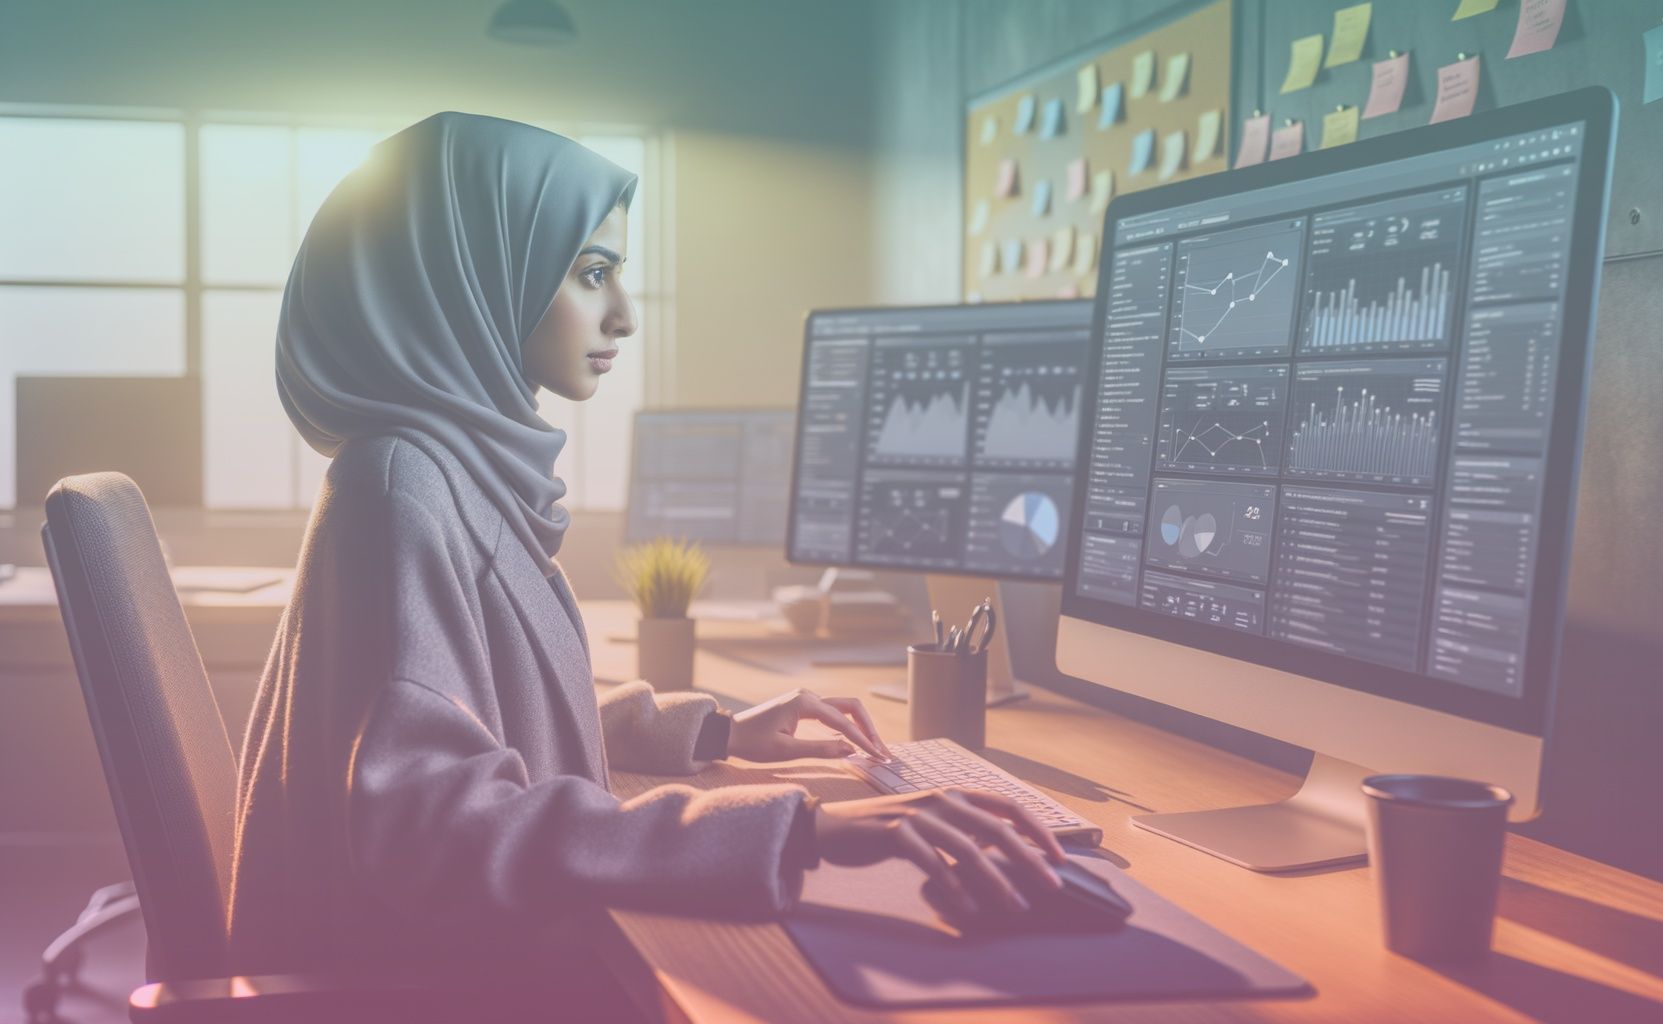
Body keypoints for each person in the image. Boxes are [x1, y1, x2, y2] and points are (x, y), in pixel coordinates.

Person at [228, 112, 1065, 1009]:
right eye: (593, 273)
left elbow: (488, 703)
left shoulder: (450, 471)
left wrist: (713, 732)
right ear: (472, 276)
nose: (622, 313)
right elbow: (435, 828)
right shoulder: (402, 487)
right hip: (419, 992)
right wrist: (806, 826)